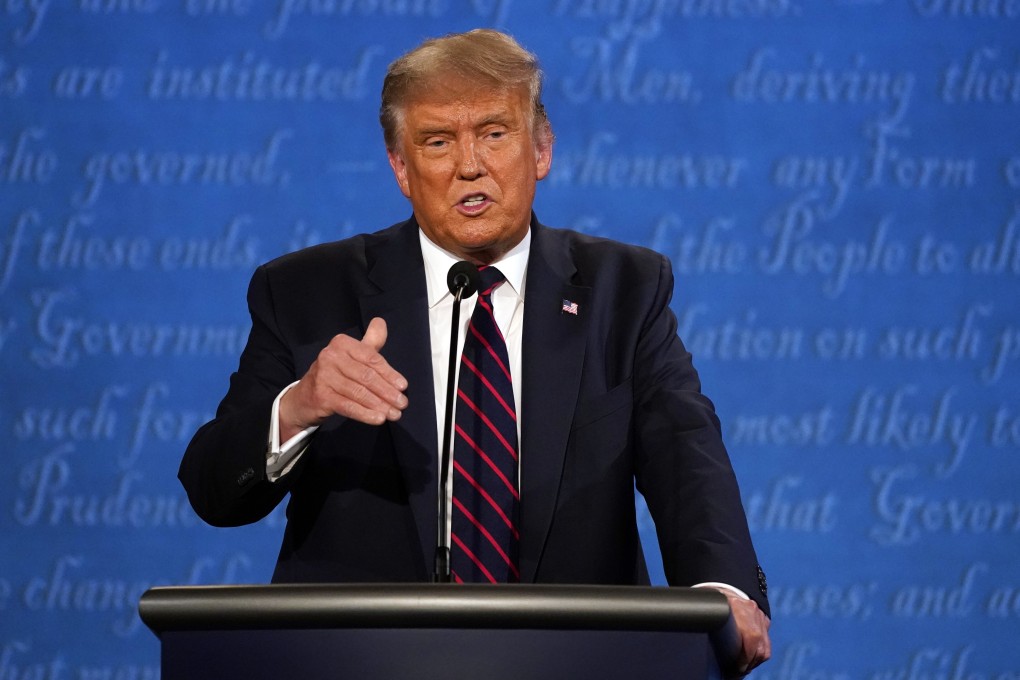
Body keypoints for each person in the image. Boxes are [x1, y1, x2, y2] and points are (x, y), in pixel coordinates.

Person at [179, 28, 771, 673]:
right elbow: (214, 491)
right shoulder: (307, 292)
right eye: (437, 141)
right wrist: (298, 407)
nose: (469, 165)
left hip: (577, 660)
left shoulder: (623, 290)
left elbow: (685, 452)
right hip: (361, 661)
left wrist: (723, 592)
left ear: (541, 149)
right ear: (400, 168)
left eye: (494, 133)